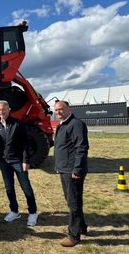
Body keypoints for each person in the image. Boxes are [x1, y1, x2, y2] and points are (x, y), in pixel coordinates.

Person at [54, 100, 89, 247]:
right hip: (64, 169)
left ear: (69, 109)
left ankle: (74, 236)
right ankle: (81, 227)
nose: (58, 112)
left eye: (61, 109)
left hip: (72, 171)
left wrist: (77, 169)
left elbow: (81, 148)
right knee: (73, 200)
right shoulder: (62, 125)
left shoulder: (76, 124)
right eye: (56, 110)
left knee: (73, 203)